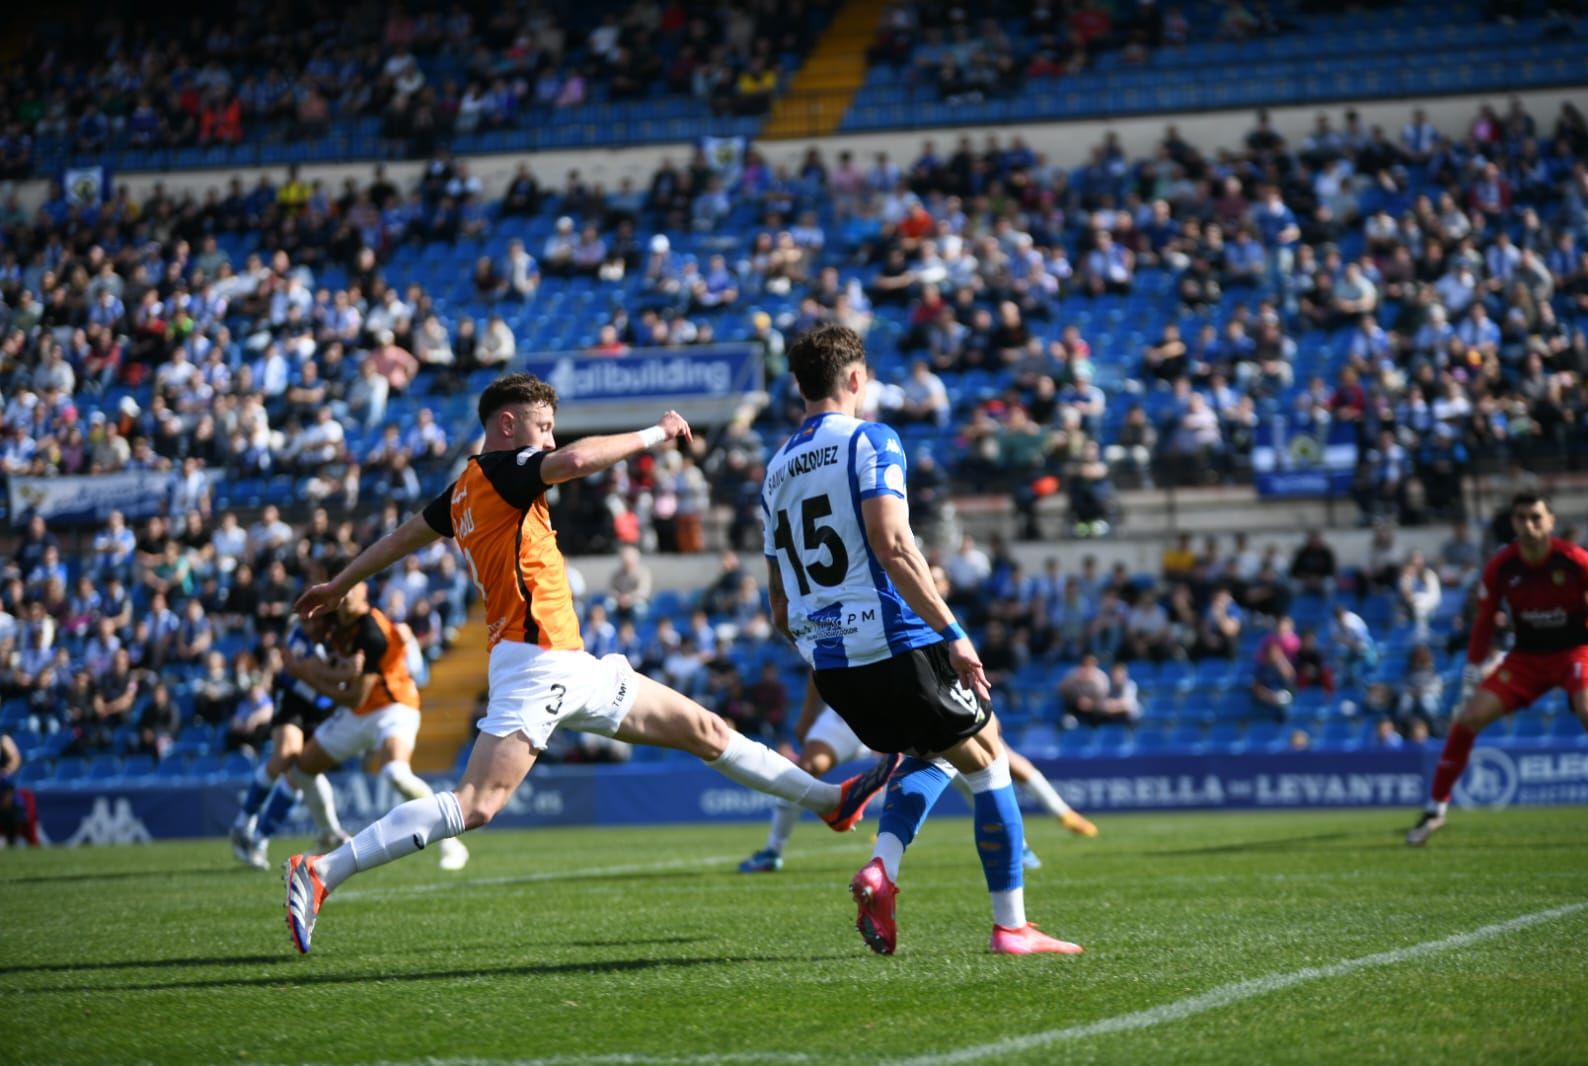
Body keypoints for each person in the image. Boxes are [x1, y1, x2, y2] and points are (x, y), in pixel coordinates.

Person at [285, 374, 897, 953]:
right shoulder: (504, 470)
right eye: (543, 425)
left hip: (570, 664)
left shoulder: (462, 493)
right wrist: (657, 432)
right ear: (506, 425)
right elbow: (576, 462)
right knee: (476, 804)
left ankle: (828, 802)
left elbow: (400, 539)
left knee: (705, 730)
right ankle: (321, 869)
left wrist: (340, 583)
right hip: (537, 665)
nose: (549, 438)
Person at [762, 324, 1079, 956]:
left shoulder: (774, 472)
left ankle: (883, 869)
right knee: (989, 759)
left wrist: (823, 648)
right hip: (899, 647)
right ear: (856, 379)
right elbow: (896, 544)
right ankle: (1011, 927)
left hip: (833, 669)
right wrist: (954, 632)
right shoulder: (871, 439)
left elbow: (777, 601)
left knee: (930, 751)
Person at [738, 679, 1097, 873]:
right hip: (848, 715)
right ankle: (773, 850)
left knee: (979, 765)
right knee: (807, 769)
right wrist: (807, 716)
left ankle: (1020, 842)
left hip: (904, 706)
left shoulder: (918, 600)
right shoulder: (849, 589)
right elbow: (819, 667)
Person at [1407, 493, 1588, 845]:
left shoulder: (1576, 560)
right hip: (1525, 658)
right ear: (1513, 523)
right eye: (1521, 518)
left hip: (1574, 651)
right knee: (1467, 719)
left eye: (1536, 517)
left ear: (1551, 521)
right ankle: (1435, 810)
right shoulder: (1501, 567)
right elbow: (1483, 622)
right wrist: (1472, 670)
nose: (1529, 525)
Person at [288, 580, 470, 873]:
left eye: (352, 587)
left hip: (393, 706)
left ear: (365, 592)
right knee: (302, 769)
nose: (346, 594)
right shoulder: (333, 621)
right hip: (360, 711)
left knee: (396, 773)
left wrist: (306, 674)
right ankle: (329, 835)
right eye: (342, 588)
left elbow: (352, 695)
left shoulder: (372, 631)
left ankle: (451, 841)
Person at [227, 614, 349, 869]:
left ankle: (258, 840)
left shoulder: (347, 628)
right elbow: (300, 663)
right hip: (294, 695)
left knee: (300, 772)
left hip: (323, 704)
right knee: (286, 754)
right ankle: (243, 822)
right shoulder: (309, 624)